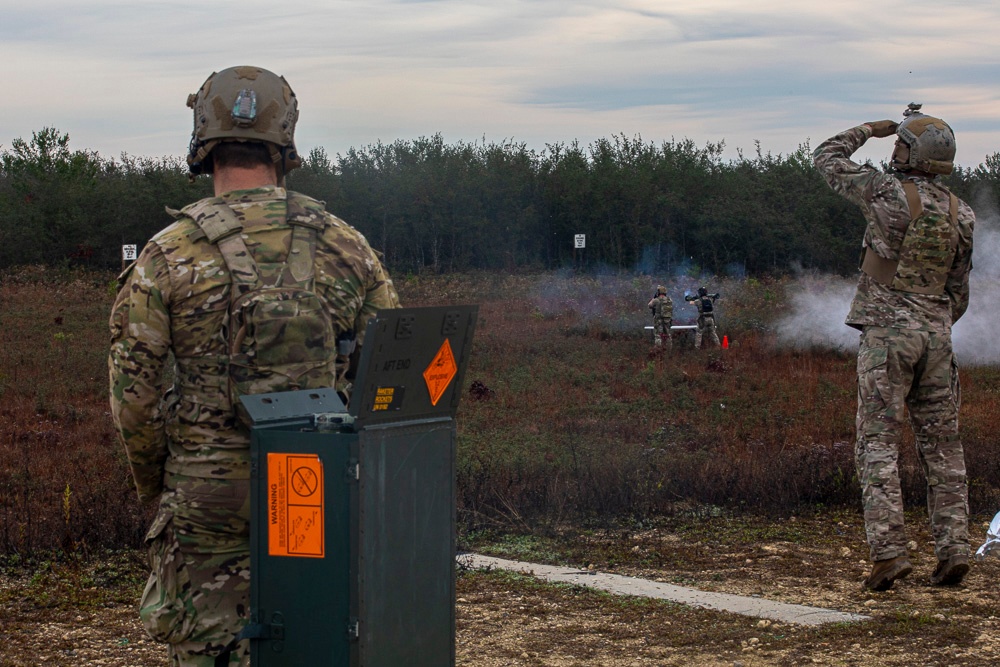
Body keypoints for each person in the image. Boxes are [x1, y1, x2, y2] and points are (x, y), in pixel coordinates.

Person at [108, 65, 399, 665]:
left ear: (202, 143)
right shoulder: (348, 246)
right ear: (286, 142)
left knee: (208, 650)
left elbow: (132, 397)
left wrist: (163, 482)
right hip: (315, 486)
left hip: (206, 495)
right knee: (316, 639)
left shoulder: (167, 254)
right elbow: (389, 374)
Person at [813, 104, 974, 592]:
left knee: (878, 444)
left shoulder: (885, 192)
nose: (894, 150)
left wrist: (870, 129)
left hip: (887, 336)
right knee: (943, 447)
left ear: (915, 154)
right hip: (938, 338)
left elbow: (825, 158)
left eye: (901, 144)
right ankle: (954, 551)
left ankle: (889, 554)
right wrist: (932, 322)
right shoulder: (961, 212)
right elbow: (959, 291)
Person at [647, 285, 673, 350]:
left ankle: (658, 349)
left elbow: (649, 305)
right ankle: (669, 349)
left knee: (658, 335)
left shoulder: (656, 300)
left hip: (658, 319)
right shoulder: (669, 300)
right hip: (667, 319)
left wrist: (653, 298)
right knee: (668, 335)